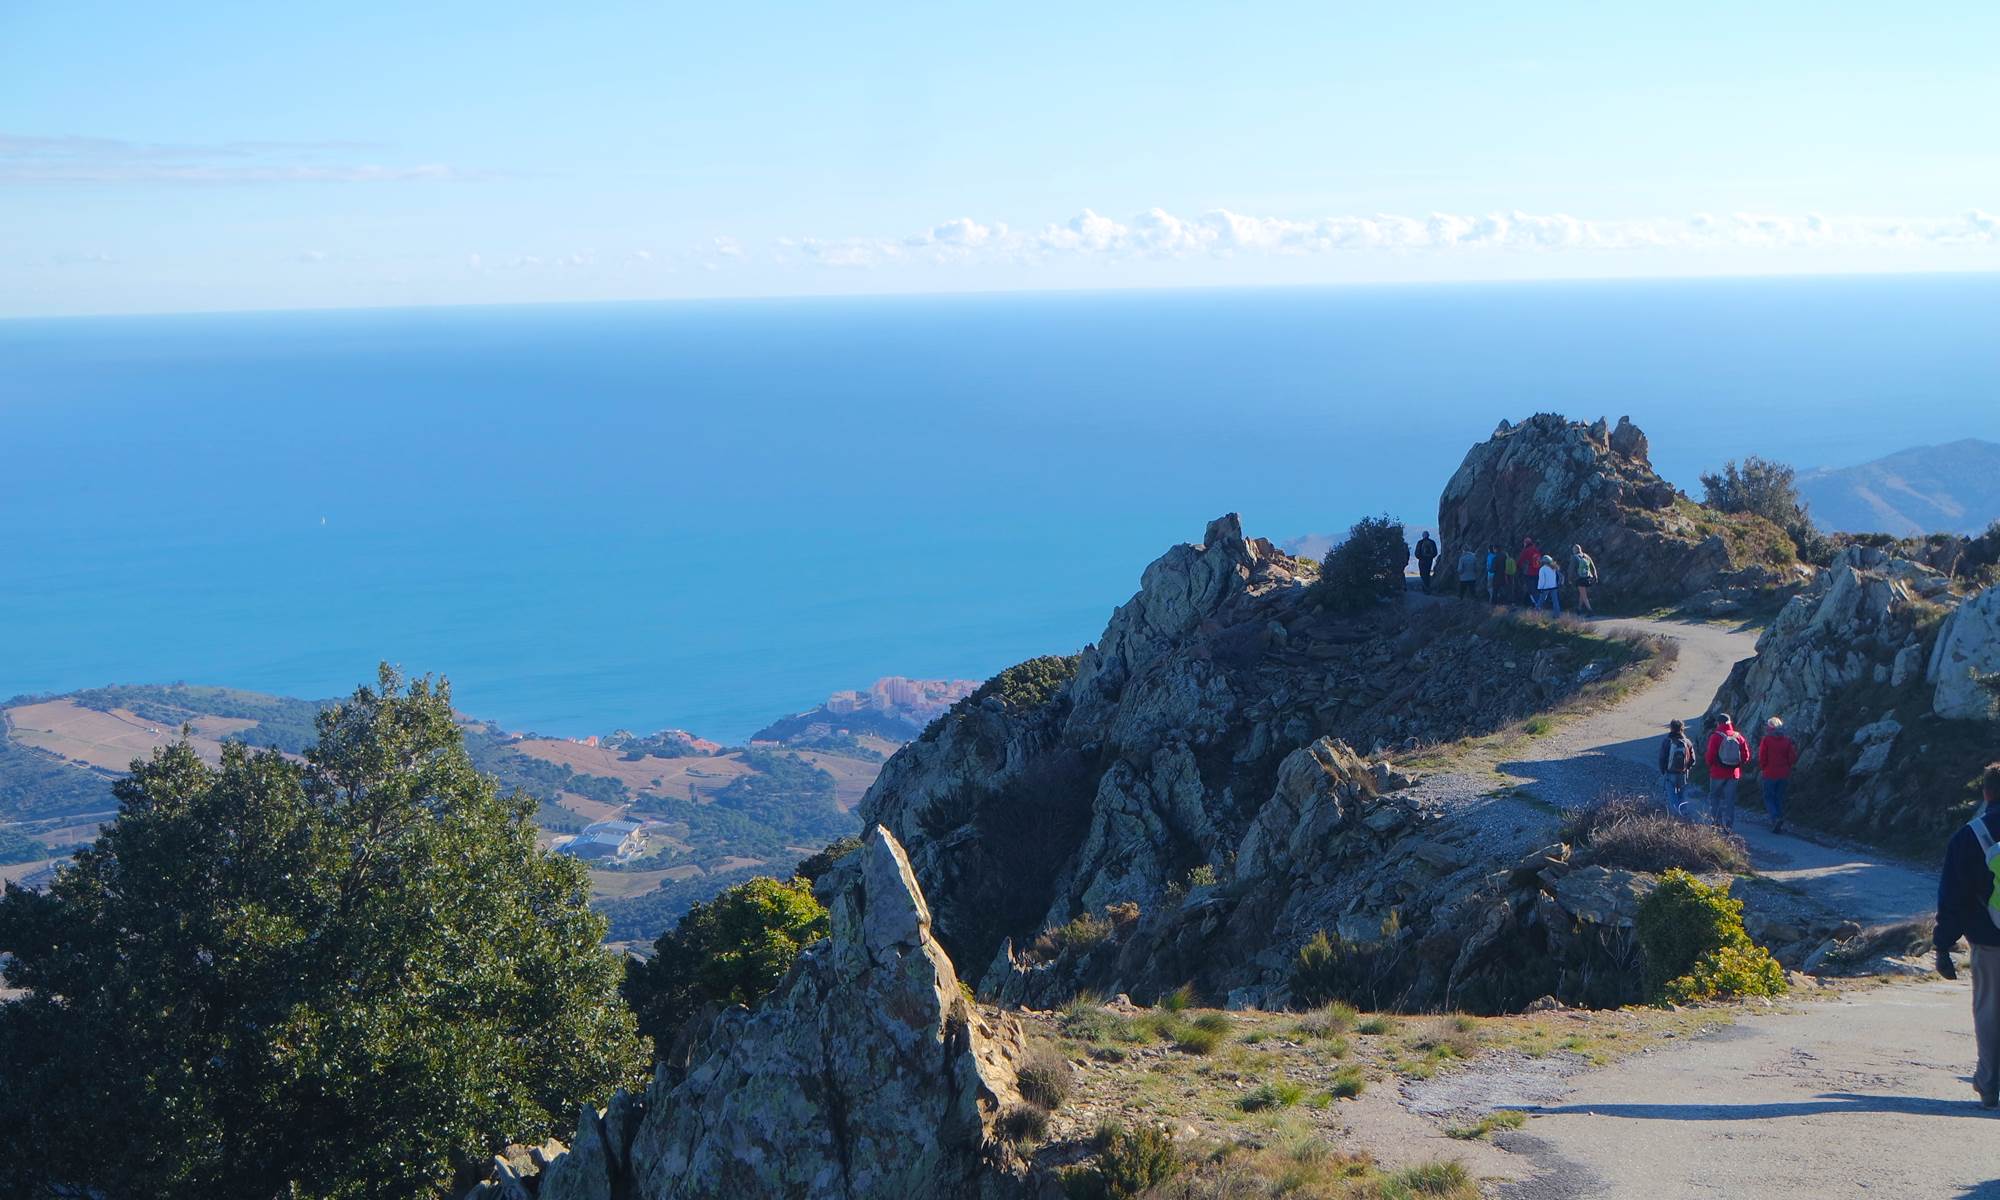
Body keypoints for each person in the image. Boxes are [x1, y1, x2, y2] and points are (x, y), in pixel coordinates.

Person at [1934, 763, 2000, 1110]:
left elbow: (1953, 898)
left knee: (1990, 1012)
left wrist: (1943, 946)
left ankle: (1989, 1087)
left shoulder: (1969, 836)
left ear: (1987, 793)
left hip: (1990, 941)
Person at [1704, 712, 1753, 831]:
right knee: (1729, 800)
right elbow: (1746, 756)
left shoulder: (1716, 736)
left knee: (1715, 797)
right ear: (1730, 723)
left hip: (1717, 773)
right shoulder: (1738, 736)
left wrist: (1712, 765)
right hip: (1733, 774)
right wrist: (1737, 765)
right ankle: (1729, 825)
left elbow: (1710, 756)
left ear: (1718, 723)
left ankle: (1717, 823)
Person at [1756, 716, 1799, 834]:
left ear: (1769, 728)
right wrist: (1787, 766)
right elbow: (1793, 757)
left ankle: (1775, 818)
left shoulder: (1767, 740)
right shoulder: (1787, 740)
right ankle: (1779, 818)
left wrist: (1764, 767)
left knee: (1769, 797)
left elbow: (1762, 757)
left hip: (1770, 773)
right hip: (1784, 773)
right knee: (1779, 797)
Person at [1658, 719, 1696, 817]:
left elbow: (1662, 758)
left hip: (1670, 773)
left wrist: (1663, 770)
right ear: (1682, 728)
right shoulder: (1687, 742)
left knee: (1672, 796)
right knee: (1682, 795)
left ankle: (1676, 817)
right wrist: (1687, 768)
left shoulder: (1667, 741)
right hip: (1683, 773)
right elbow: (1693, 760)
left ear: (1671, 728)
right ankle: (1684, 815)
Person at [1570, 544, 1599, 617]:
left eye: (1573, 549)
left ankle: (1590, 610)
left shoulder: (1574, 557)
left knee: (1584, 595)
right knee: (1582, 594)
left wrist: (1570, 578)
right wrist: (1595, 576)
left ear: (1575, 550)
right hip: (1588, 577)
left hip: (1580, 579)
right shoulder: (1586, 556)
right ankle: (1579, 609)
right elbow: (1592, 567)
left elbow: (1571, 569)